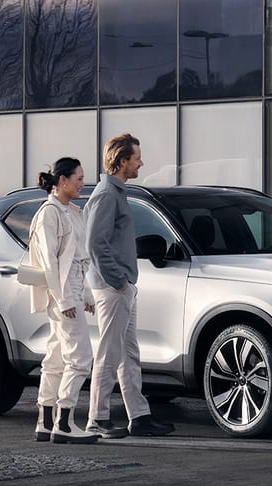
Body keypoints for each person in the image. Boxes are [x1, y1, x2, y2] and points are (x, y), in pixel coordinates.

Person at [84, 133, 175, 437]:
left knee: (128, 355)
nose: (141, 163)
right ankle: (97, 419)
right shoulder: (106, 195)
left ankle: (139, 416)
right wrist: (118, 281)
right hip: (113, 289)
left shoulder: (116, 193)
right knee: (109, 354)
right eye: (137, 158)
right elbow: (94, 243)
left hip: (122, 287)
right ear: (122, 161)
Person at [28, 157, 99, 444]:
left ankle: (46, 423)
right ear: (62, 180)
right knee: (81, 358)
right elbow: (50, 262)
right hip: (63, 295)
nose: (83, 183)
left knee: (57, 357)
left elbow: (78, 260)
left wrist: (86, 294)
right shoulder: (50, 213)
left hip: (71, 292)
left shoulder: (73, 212)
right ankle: (65, 423)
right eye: (78, 178)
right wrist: (65, 299)